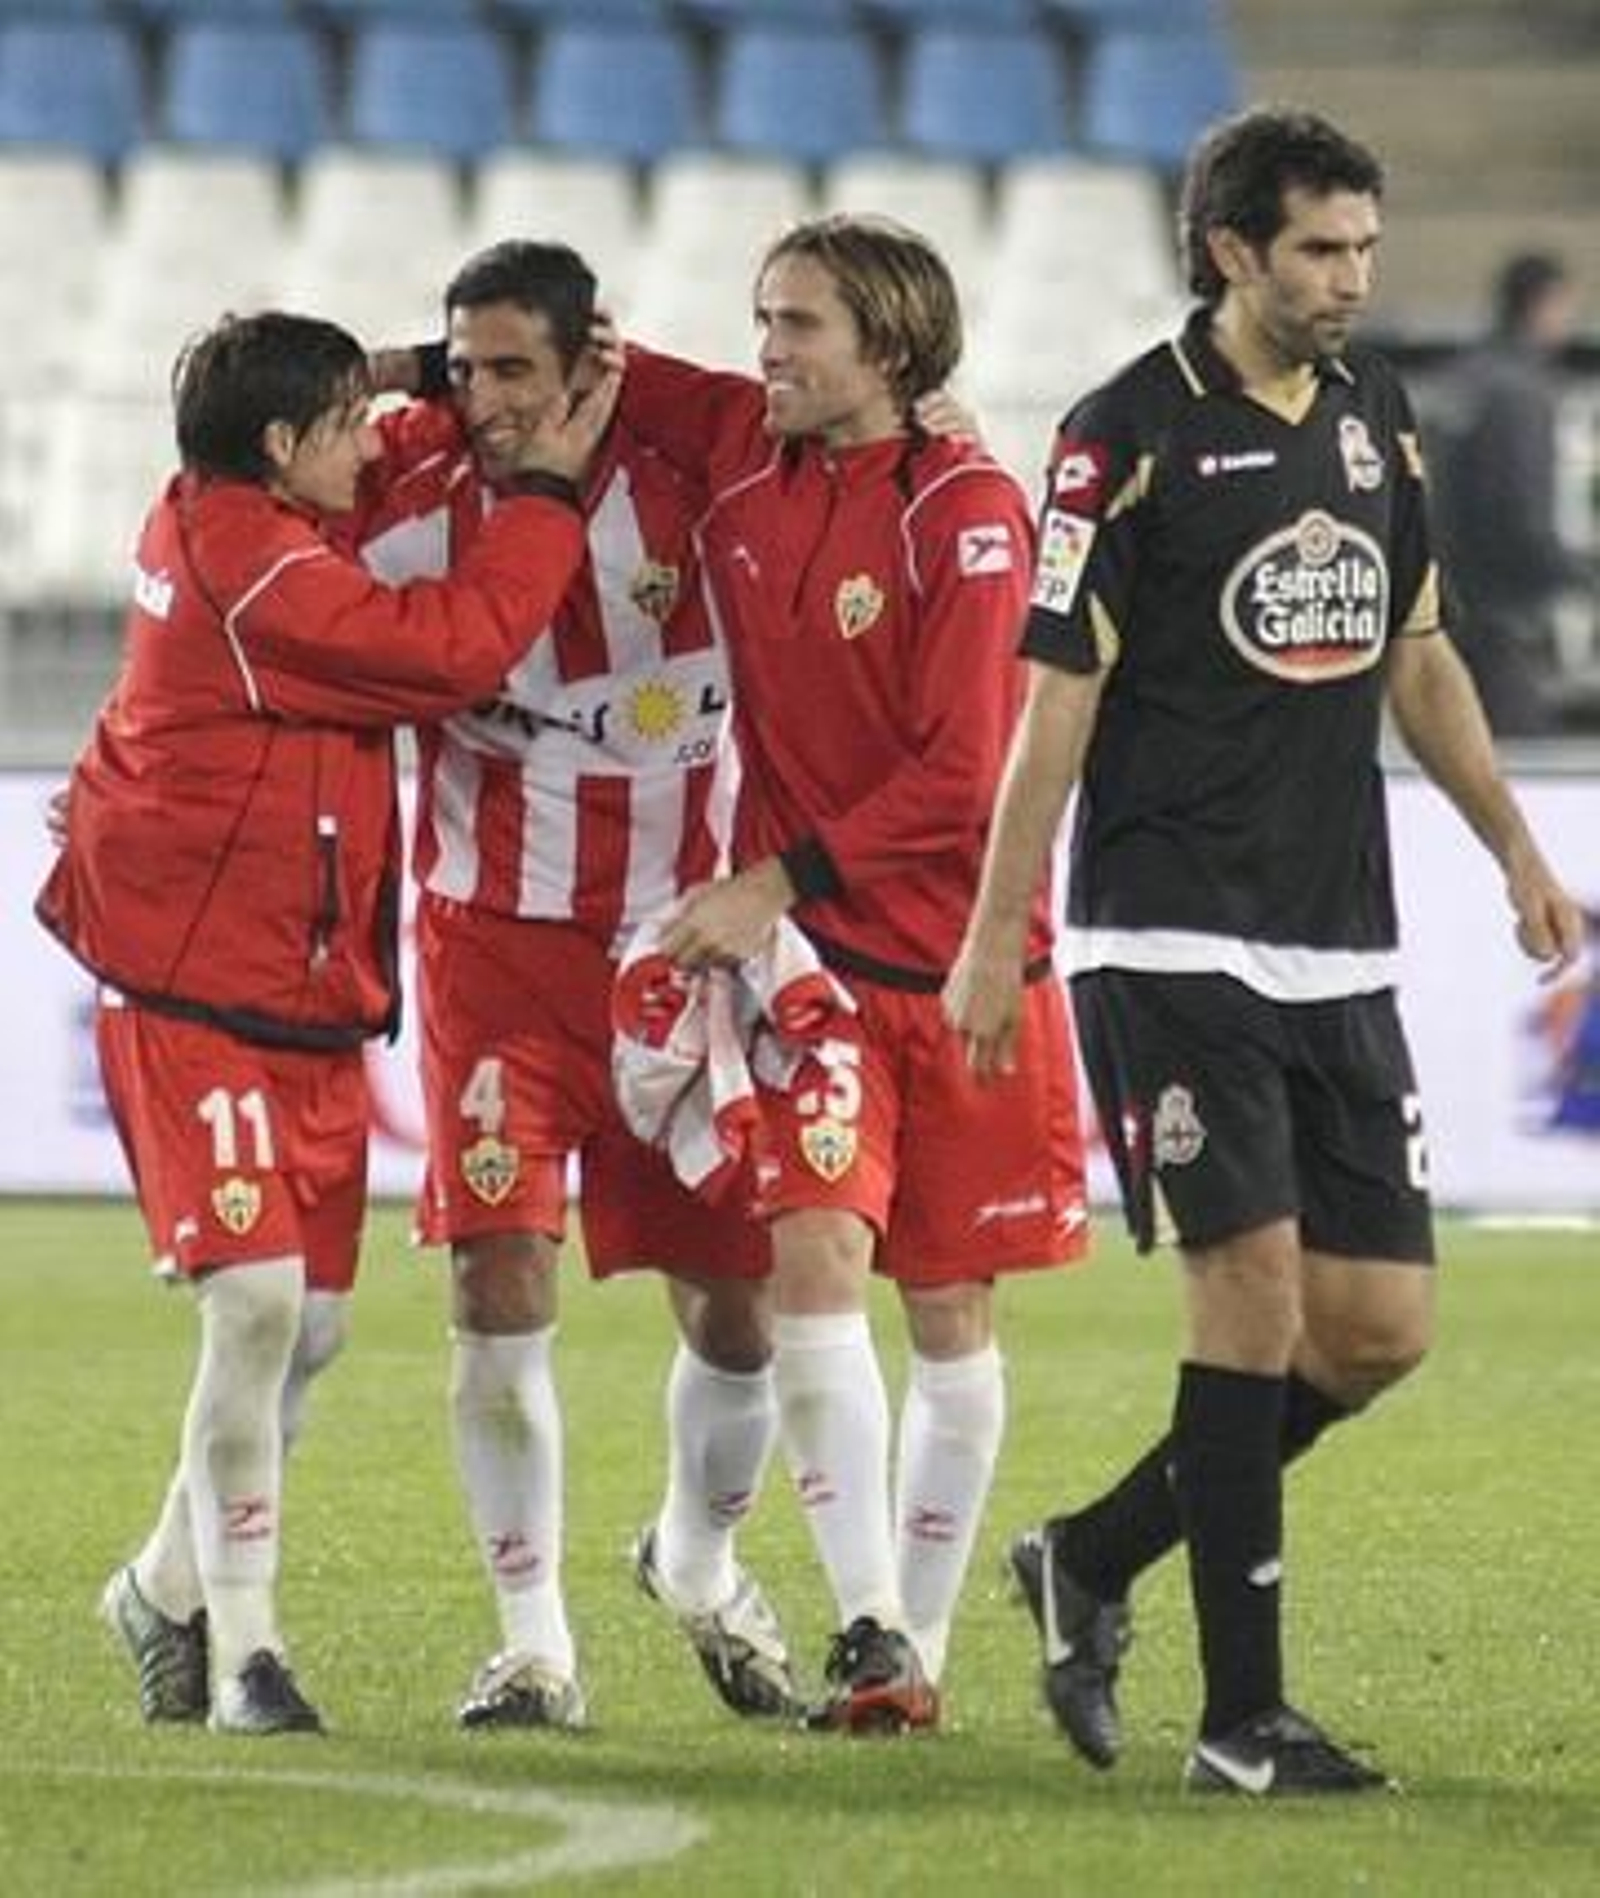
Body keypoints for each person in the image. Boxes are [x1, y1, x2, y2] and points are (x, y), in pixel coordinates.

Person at [943, 107, 1585, 1794]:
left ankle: (1088, 1552)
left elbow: (1418, 649)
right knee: (1250, 1289)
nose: (1352, 279)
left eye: (1364, 248)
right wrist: (1001, 931)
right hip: (1165, 929)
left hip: (1336, 938)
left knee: (1375, 1327)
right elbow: (1055, 701)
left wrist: (1514, 842)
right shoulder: (1122, 435)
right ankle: (1244, 1719)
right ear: (1231, 250)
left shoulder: (1378, 415)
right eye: (1321, 249)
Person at [37, 309, 612, 1735]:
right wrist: (541, 490)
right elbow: (460, 646)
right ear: (287, 450)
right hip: (196, 987)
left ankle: (158, 1582)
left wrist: (432, 371)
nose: (379, 446)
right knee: (257, 1305)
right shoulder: (261, 575)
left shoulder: (236, 498)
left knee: (314, 1330)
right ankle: (244, 1651)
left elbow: (352, 444)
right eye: (351, 425)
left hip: (300, 987)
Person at [627, 215, 1091, 1731]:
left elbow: (968, 774)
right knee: (812, 1264)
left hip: (968, 960)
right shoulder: (745, 461)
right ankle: (874, 1623)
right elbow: (580, 362)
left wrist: (770, 877)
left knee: (951, 1314)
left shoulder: (965, 509)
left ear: (886, 345)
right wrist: (388, 370)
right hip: (813, 971)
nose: (766, 349)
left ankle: (920, 1647)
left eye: (799, 325)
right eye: (761, 318)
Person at [357, 240, 797, 1731]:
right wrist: (400, 374)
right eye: (462, 368)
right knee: (496, 1278)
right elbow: (245, 448)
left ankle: (696, 1555)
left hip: (679, 949)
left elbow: (865, 417)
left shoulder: (706, 480)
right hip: (491, 946)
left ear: (590, 365)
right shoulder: (408, 481)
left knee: (744, 1312)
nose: (481, 402)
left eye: (514, 372)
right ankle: (534, 1642)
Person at [1427, 251, 1591, 737]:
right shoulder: (1523, 392)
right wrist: (1579, 578)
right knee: (1526, 761)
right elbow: (1524, 520)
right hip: (1501, 619)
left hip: (1448, 613)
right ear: (1544, 304)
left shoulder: (1463, 378)